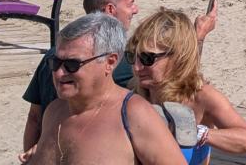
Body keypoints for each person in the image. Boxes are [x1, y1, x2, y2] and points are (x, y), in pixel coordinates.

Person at [22, 0, 219, 155]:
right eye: (131, 3)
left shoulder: (54, 54)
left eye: (72, 65)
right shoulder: (123, 67)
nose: (59, 71)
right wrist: (196, 39)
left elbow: (33, 117)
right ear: (110, 9)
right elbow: (174, 81)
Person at [25, 13, 188, 165]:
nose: (59, 73)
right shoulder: (54, 111)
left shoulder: (134, 116)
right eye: (55, 62)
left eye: (72, 64)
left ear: (109, 62)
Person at [126, 8, 246, 162]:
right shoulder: (134, 90)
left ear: (177, 57)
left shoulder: (201, 96)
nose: (136, 67)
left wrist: (199, 133)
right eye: (131, 56)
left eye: (147, 58)